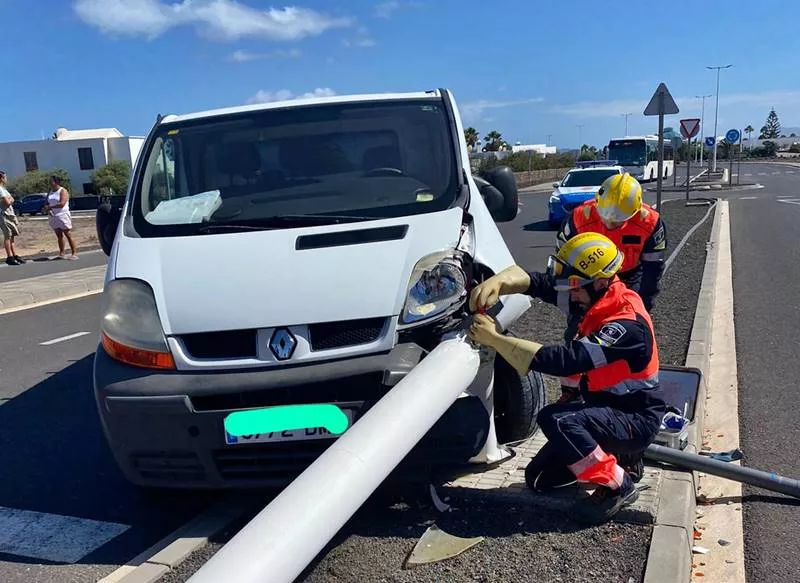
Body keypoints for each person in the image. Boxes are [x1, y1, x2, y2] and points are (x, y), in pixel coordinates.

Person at [467, 232, 666, 524]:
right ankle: (622, 457)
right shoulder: (596, 297)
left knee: (557, 419)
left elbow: (566, 360)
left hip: (635, 419)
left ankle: (617, 484)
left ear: (599, 282)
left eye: (575, 286)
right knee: (540, 479)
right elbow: (546, 285)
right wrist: (503, 281)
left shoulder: (626, 325)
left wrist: (496, 340)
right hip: (609, 413)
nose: (570, 293)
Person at [556, 172, 667, 313]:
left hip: (630, 276)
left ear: (636, 210)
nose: (610, 224)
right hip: (588, 279)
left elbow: (653, 269)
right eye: (604, 217)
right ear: (597, 202)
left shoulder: (650, 222)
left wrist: (644, 305)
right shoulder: (578, 218)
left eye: (618, 220)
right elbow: (562, 261)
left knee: (628, 315)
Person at [45, 175, 78, 259]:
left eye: (51, 181)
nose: (50, 183)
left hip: (62, 215)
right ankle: (62, 253)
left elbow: (62, 203)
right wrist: (48, 209)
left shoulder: (63, 191)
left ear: (56, 182)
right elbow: (47, 202)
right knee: (59, 235)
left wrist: (51, 207)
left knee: (68, 234)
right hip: (53, 216)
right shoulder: (50, 191)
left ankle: (74, 253)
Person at [0, 171, 25, 265]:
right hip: (4, 215)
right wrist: (10, 199)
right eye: (5, 177)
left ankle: (15, 255)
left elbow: (11, 199)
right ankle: (9, 257)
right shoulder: (0, 189)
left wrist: (10, 199)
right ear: (1, 178)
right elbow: (8, 201)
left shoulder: (4, 189)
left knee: (12, 235)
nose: (6, 179)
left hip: (10, 214)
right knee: (8, 236)